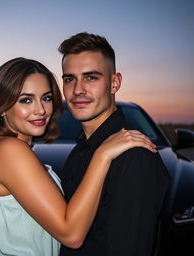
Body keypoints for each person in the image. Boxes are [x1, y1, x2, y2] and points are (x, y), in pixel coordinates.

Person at [0, 57, 157, 256]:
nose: (41, 110)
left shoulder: (2, 148)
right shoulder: (8, 150)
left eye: (45, 98)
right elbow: (72, 235)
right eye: (26, 100)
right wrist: (102, 154)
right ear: (1, 107)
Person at [58, 32, 170, 256]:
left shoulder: (134, 156)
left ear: (114, 83)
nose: (78, 89)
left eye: (91, 77)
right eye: (70, 78)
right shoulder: (82, 149)